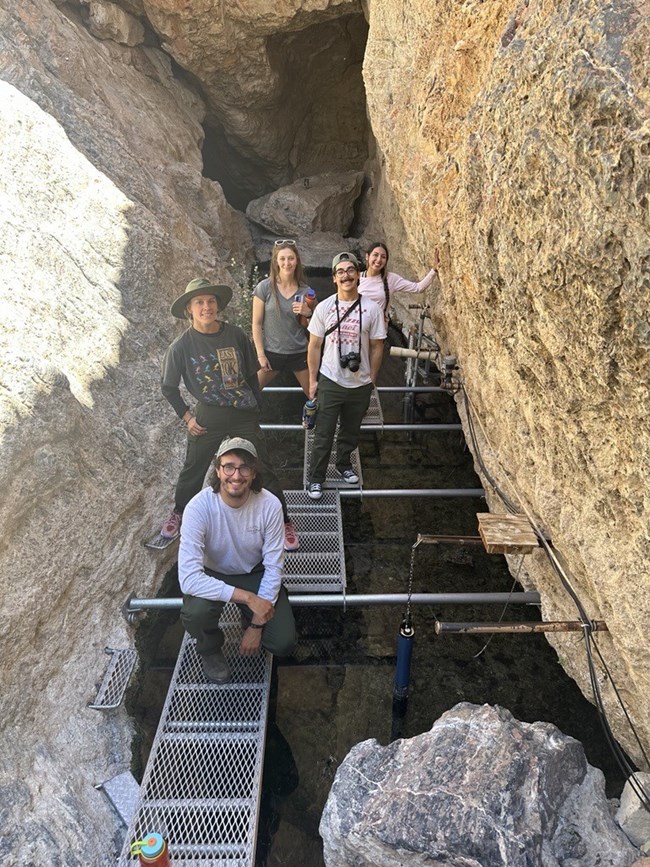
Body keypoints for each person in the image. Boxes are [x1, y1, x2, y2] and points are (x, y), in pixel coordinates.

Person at [159, 277, 299, 550]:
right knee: (194, 466)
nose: (206, 307)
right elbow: (168, 388)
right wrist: (187, 418)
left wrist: (256, 407)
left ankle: (283, 520)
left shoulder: (234, 335)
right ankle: (179, 512)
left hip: (242, 412)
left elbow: (251, 374)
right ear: (189, 308)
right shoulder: (181, 346)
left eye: (211, 301)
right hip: (208, 415)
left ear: (218, 305)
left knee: (262, 464)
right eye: (199, 302)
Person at [179, 437, 296, 683]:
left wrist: (256, 626)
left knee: (283, 643)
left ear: (254, 473)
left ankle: (249, 616)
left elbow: (274, 566)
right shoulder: (198, 508)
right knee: (196, 613)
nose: (236, 475)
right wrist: (249, 599)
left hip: (254, 571)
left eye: (244, 468)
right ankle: (209, 648)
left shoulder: (269, 505)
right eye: (229, 466)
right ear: (218, 470)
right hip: (213, 571)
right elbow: (189, 579)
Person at [305, 252, 386, 500]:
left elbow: (376, 346)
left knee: (350, 431)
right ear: (334, 278)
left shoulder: (371, 309)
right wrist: (312, 380)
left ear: (357, 276)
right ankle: (315, 479)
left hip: (359, 383)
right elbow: (314, 345)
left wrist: (371, 378)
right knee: (323, 432)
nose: (346, 275)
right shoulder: (325, 307)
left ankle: (344, 465)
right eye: (340, 272)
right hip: (331, 379)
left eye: (350, 270)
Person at [252, 240, 315, 395]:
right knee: (250, 392)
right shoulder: (264, 287)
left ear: (297, 260)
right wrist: (260, 355)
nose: (287, 263)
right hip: (271, 353)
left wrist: (308, 313)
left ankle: (313, 420)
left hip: (299, 353)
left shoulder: (307, 292)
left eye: (291, 258)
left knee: (314, 395)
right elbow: (256, 323)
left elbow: (314, 329)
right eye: (282, 259)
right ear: (276, 262)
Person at [358, 242, 439, 319]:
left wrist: (434, 270)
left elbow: (418, 288)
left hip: (377, 331)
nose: (379, 260)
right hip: (357, 329)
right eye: (375, 255)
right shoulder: (356, 278)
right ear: (367, 256)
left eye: (383, 257)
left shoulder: (391, 279)